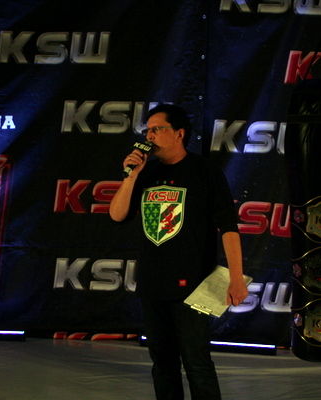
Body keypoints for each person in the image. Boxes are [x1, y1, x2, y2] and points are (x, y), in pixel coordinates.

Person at [109, 104, 249, 400]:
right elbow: (117, 215)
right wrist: (131, 176)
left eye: (157, 129)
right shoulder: (146, 172)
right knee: (162, 364)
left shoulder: (204, 171)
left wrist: (236, 278)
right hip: (152, 284)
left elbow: (228, 228)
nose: (150, 136)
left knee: (197, 364)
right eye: (147, 131)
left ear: (179, 134)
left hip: (193, 285)